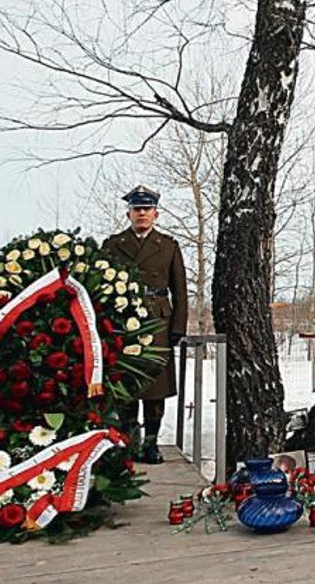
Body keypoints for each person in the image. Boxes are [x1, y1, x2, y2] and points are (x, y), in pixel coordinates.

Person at [102, 186, 188, 464]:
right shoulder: (112, 245)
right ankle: (129, 443)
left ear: (155, 214)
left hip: (157, 323)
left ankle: (151, 443)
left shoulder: (168, 246)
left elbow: (180, 290)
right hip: (123, 323)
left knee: (155, 388)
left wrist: (178, 327)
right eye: (137, 209)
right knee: (126, 385)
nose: (141, 214)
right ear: (129, 213)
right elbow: (103, 288)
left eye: (146, 210)